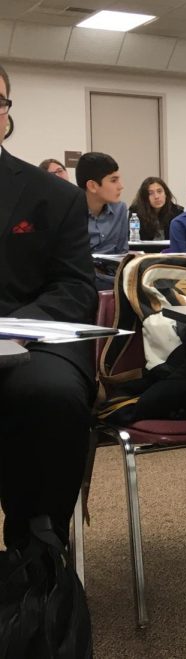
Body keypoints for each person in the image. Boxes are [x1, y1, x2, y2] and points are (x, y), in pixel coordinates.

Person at [0, 62, 97, 552]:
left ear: (6, 115)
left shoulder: (54, 197)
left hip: (34, 339)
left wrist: (14, 329)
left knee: (53, 395)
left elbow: (76, 287)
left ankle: (36, 545)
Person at [75, 151, 128, 290]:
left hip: (112, 274)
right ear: (92, 186)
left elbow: (122, 252)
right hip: (83, 277)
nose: (120, 186)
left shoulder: (120, 209)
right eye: (113, 180)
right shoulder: (70, 211)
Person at [129, 176, 184, 241]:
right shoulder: (136, 214)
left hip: (170, 250)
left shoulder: (177, 212)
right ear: (144, 197)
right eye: (150, 193)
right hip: (144, 250)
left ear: (166, 193)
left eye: (159, 191)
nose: (156, 196)